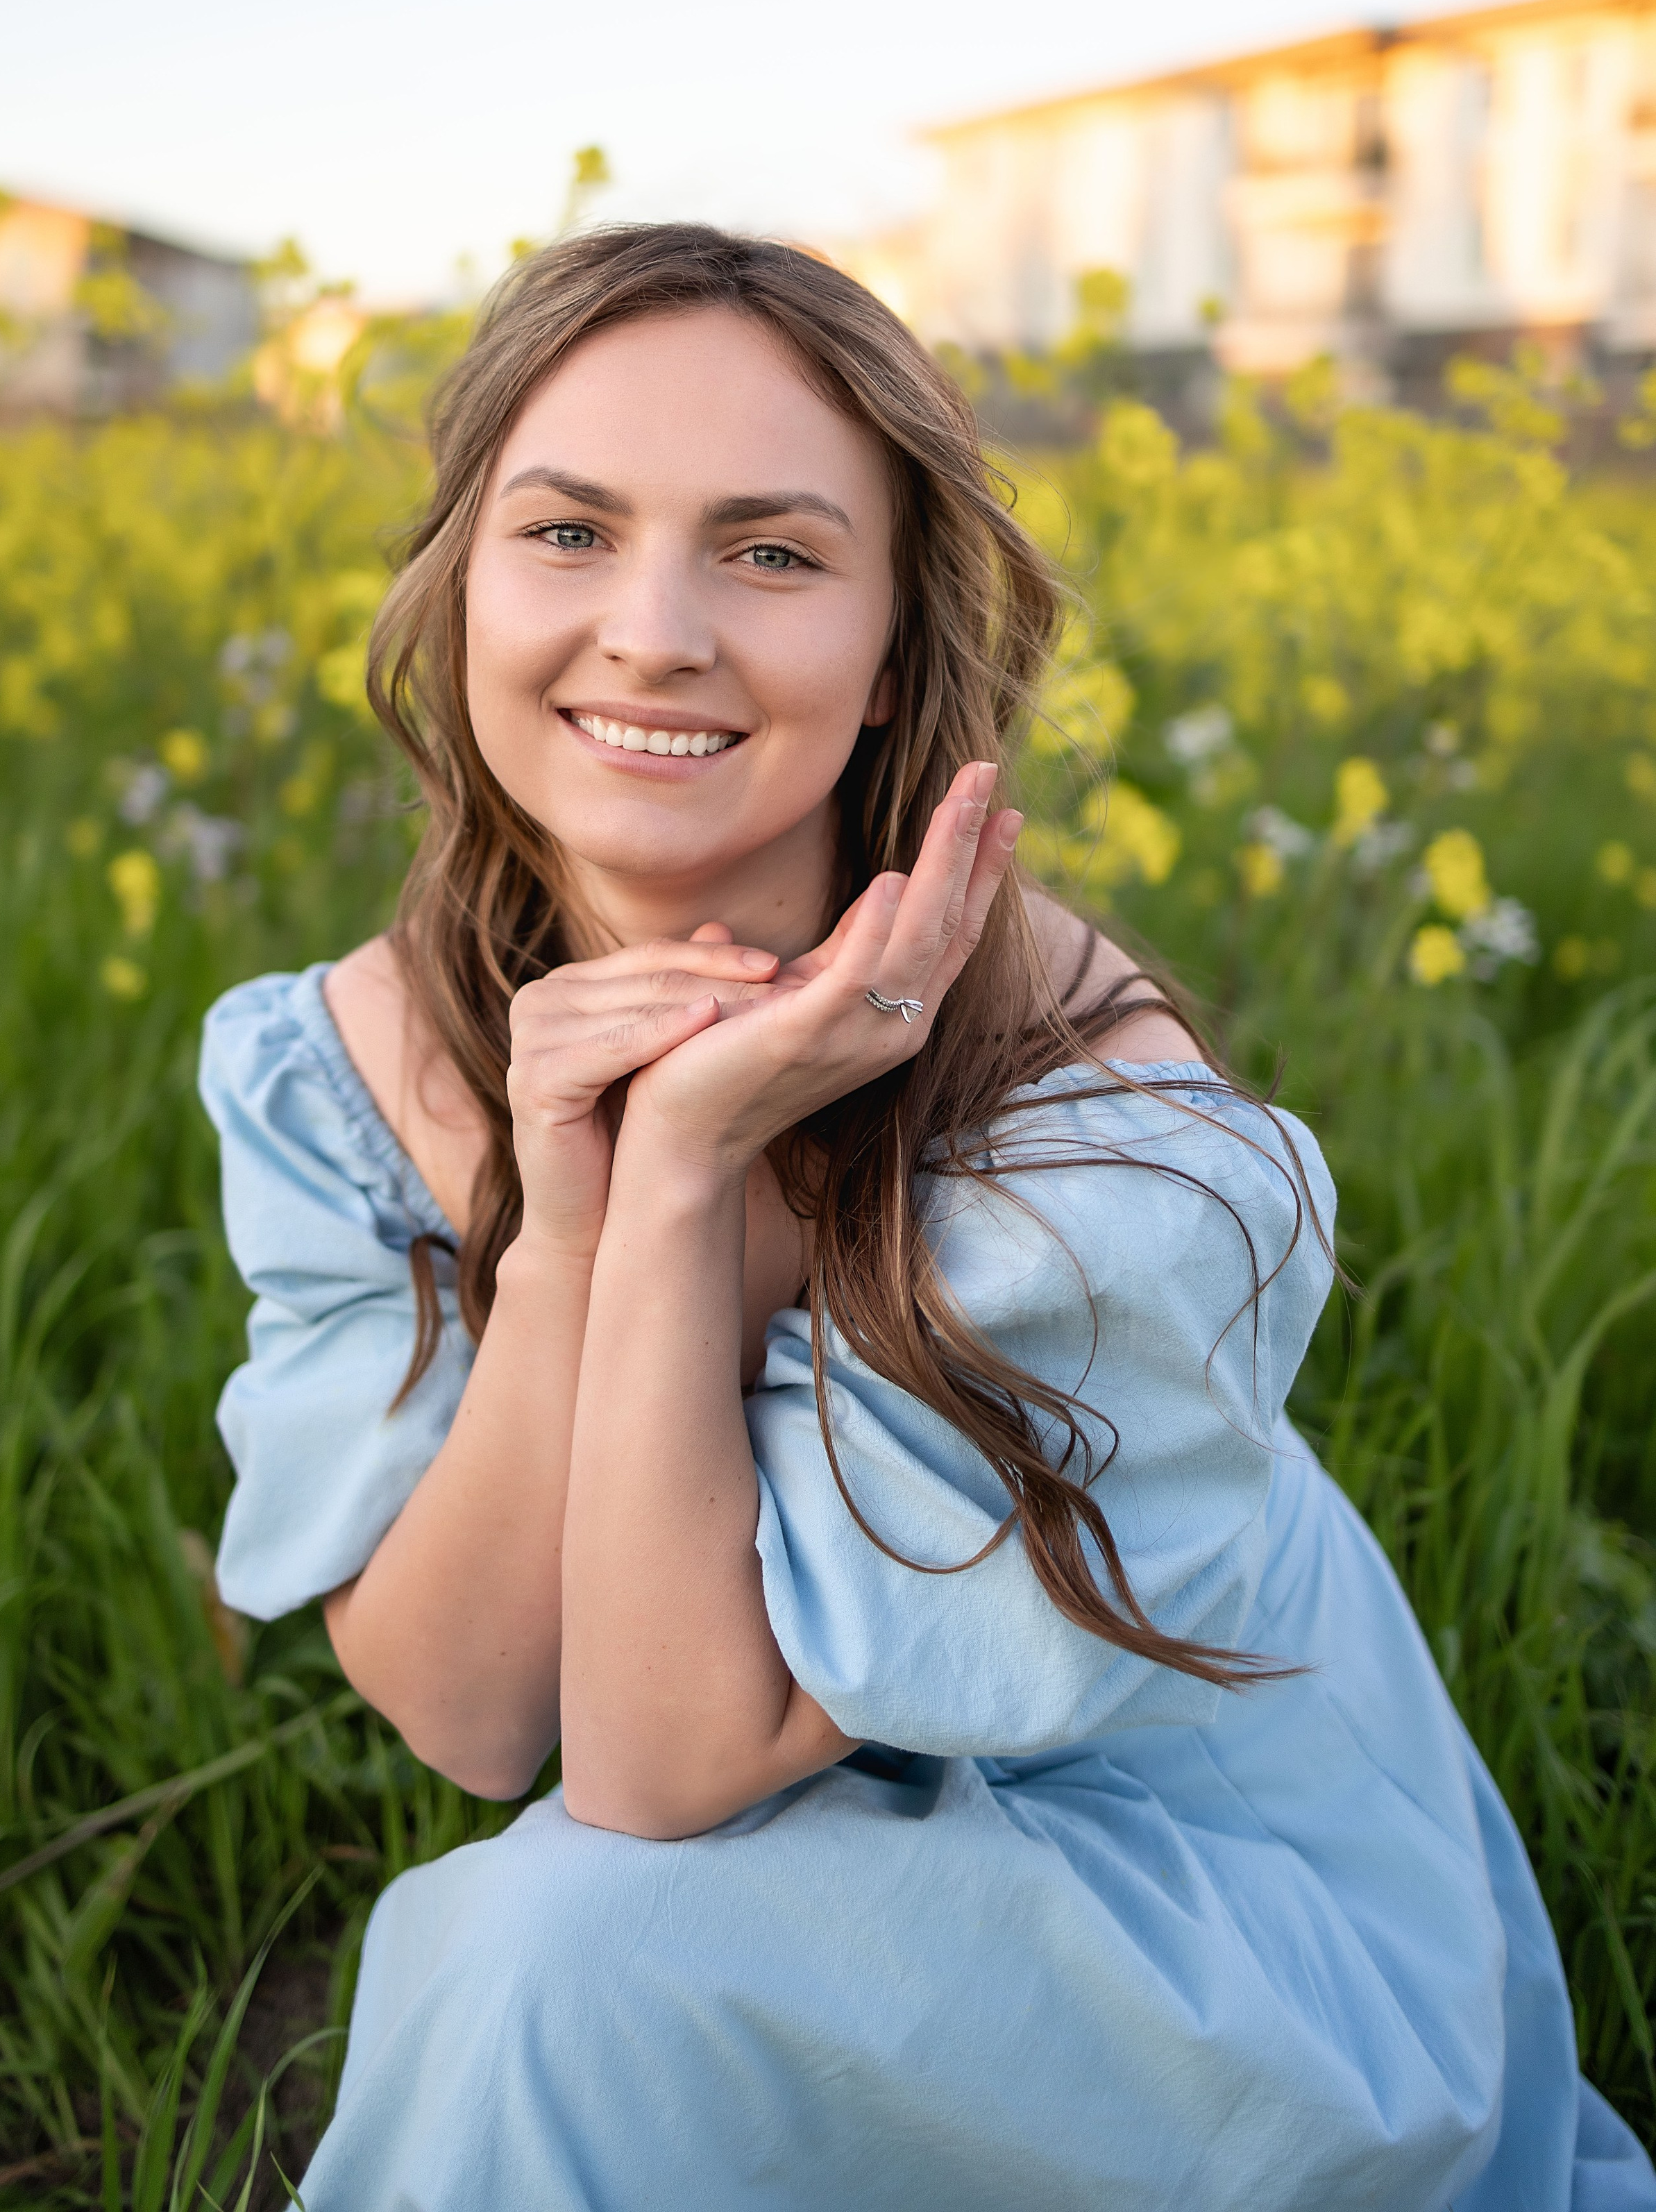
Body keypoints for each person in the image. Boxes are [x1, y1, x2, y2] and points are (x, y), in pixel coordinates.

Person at [199, 226, 1655, 2210]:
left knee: (553, 1957)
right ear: (462, 583)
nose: (652, 631)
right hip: (788, 1900)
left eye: (773, 553)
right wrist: (563, 1227)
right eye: (566, 532)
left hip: (1204, 1939)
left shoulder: (1106, 1127)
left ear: (893, 657)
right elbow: (466, 1714)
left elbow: (650, 1775)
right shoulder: (343, 1056)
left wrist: (688, 1174)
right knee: (549, 1947)